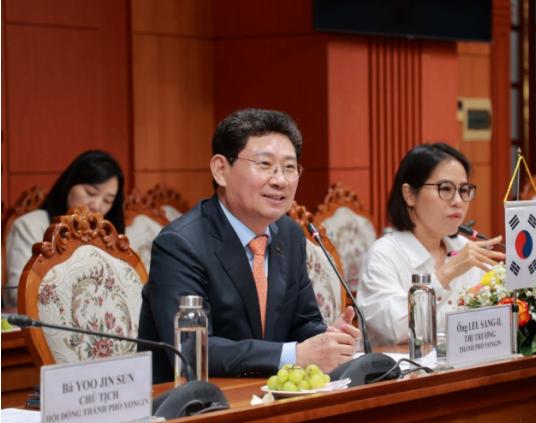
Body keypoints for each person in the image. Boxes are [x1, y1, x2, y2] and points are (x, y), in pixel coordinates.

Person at [138, 108, 360, 382]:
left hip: (268, 393)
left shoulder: (289, 234)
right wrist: (293, 355)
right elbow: (192, 348)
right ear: (221, 170)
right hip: (195, 399)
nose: (280, 180)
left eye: (289, 168)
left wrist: (327, 339)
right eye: (264, 164)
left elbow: (302, 323)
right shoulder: (180, 244)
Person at [356, 143, 505, 345]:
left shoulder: (463, 247)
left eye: (464, 190)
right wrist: (447, 272)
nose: (458, 201)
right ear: (409, 194)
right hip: (403, 364)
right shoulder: (384, 255)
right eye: (445, 189)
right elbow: (395, 330)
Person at [5, 150, 125, 306]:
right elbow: (15, 294)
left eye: (107, 201)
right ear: (69, 184)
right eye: (91, 192)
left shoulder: (110, 236)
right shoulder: (29, 226)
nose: (96, 206)